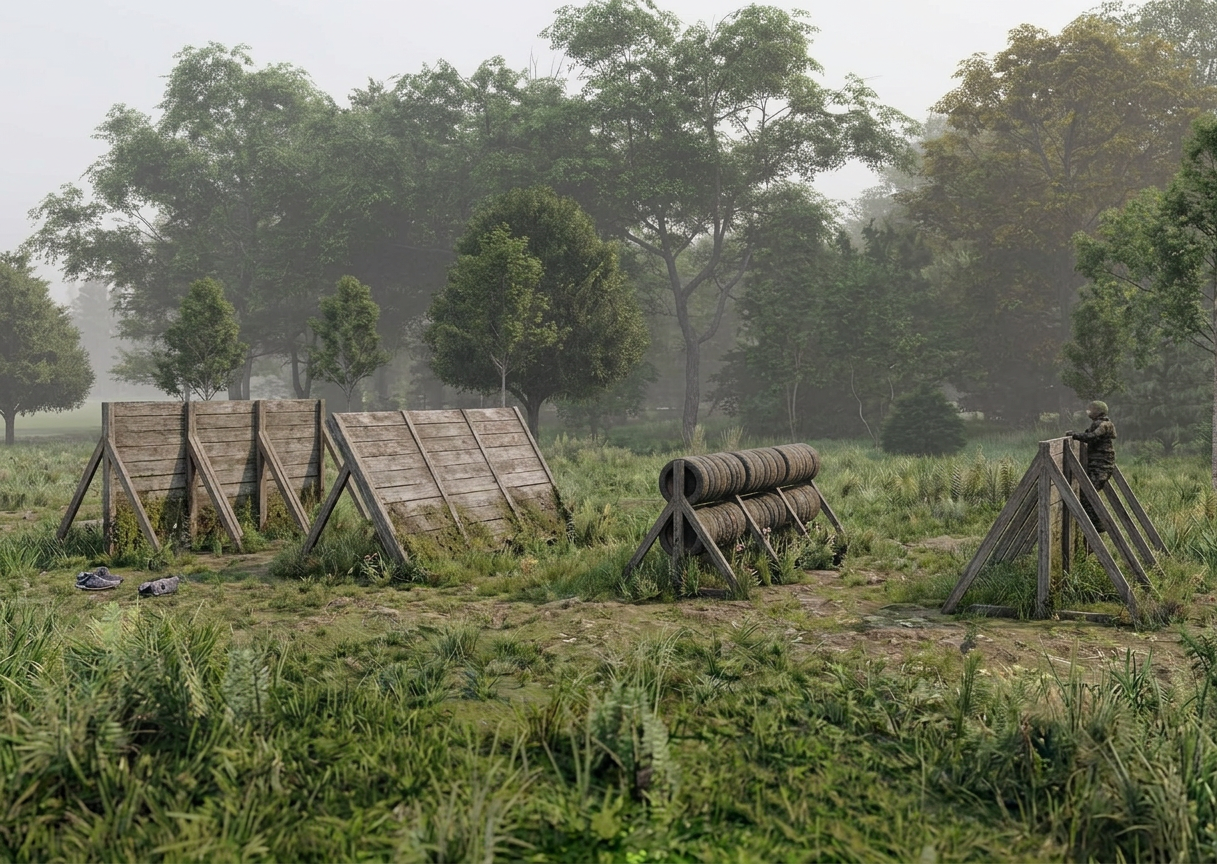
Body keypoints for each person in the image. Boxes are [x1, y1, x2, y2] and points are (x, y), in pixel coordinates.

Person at [1066, 400, 1117, 533]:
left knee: (1087, 495)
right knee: (1087, 493)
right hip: (1099, 464)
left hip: (1101, 465)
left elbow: (1091, 437)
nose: (1088, 412)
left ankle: (1099, 525)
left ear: (1097, 412)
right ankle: (1096, 524)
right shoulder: (1104, 423)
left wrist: (1074, 435)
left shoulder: (1102, 425)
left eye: (1091, 409)